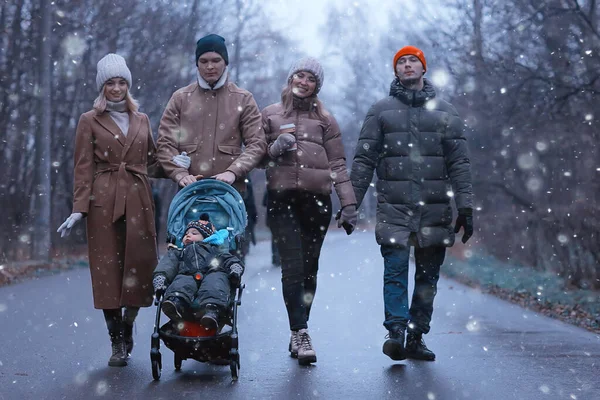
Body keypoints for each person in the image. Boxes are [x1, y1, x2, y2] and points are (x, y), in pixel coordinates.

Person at [349, 46, 474, 362]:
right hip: (394, 206)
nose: (407, 65)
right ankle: (396, 331)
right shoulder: (380, 111)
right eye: (401, 62)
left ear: (423, 68)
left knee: (428, 277)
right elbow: (364, 159)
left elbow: (459, 162)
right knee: (394, 270)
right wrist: (350, 204)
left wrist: (466, 207)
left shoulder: (445, 112)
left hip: (435, 208)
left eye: (412, 61)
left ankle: (416, 336)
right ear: (396, 71)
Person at [57, 54, 166, 367]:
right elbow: (82, 167)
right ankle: (116, 340)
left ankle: (128, 325)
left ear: (128, 85)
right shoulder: (89, 120)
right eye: (110, 83)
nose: (116, 88)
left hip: (139, 199)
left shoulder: (142, 119)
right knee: (108, 273)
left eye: (121, 82)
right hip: (103, 201)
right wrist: (79, 208)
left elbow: (153, 162)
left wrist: (177, 167)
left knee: (138, 267)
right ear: (102, 87)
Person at [261, 57, 358, 365]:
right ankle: (300, 331)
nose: (303, 82)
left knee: (309, 268)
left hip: (317, 202)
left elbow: (338, 164)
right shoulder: (270, 115)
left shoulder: (326, 119)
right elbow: (254, 155)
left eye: (310, 79)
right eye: (299, 75)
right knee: (292, 267)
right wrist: (274, 150)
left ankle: (299, 329)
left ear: (317, 86)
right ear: (290, 77)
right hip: (282, 199)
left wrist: (349, 203)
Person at [156, 33, 266, 192]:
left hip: (231, 191)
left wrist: (233, 171)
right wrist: (180, 173)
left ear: (225, 63)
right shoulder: (180, 98)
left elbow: (257, 143)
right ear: (197, 64)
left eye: (216, 60)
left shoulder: (243, 99)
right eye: (204, 61)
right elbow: (165, 143)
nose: (210, 66)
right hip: (189, 191)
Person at [152, 214, 244, 330]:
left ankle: (211, 310)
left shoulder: (215, 251)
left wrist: (235, 268)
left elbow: (229, 259)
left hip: (211, 274)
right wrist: (161, 277)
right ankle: (176, 303)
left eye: (194, 233)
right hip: (187, 274)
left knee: (216, 280)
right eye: (186, 234)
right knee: (182, 281)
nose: (188, 235)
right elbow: (168, 264)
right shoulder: (180, 252)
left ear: (207, 237)